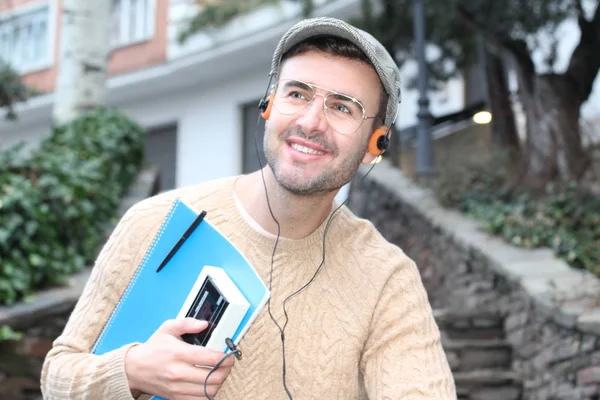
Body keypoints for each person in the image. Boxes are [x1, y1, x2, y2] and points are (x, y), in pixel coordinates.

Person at [41, 17, 456, 399]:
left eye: (342, 107)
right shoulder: (153, 221)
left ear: (375, 146)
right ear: (269, 106)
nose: (312, 122)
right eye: (298, 94)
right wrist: (129, 371)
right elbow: (57, 375)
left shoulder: (386, 278)